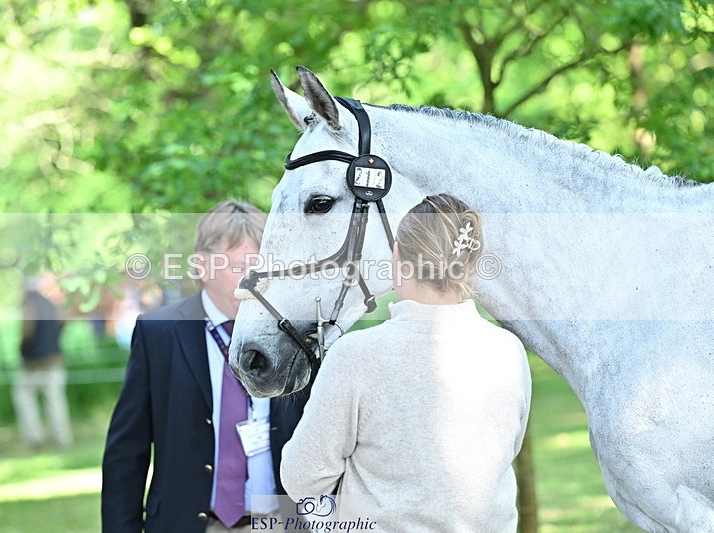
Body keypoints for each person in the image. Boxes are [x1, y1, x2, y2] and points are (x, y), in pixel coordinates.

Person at [281, 194, 532, 532]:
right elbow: (506, 452)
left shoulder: (356, 355)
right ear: (471, 263)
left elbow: (301, 478)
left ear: (398, 255)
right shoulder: (509, 351)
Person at [102, 200, 310, 532]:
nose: (255, 280)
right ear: (202, 267)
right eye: (241, 267)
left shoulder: (294, 333)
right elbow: (127, 452)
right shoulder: (160, 333)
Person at [13, 274, 73, 449]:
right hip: (54, 358)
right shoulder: (51, 304)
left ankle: (34, 437)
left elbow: (27, 331)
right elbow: (64, 321)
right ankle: (62, 437)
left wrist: (22, 348)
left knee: (24, 397)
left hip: (33, 362)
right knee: (55, 400)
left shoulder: (28, 305)